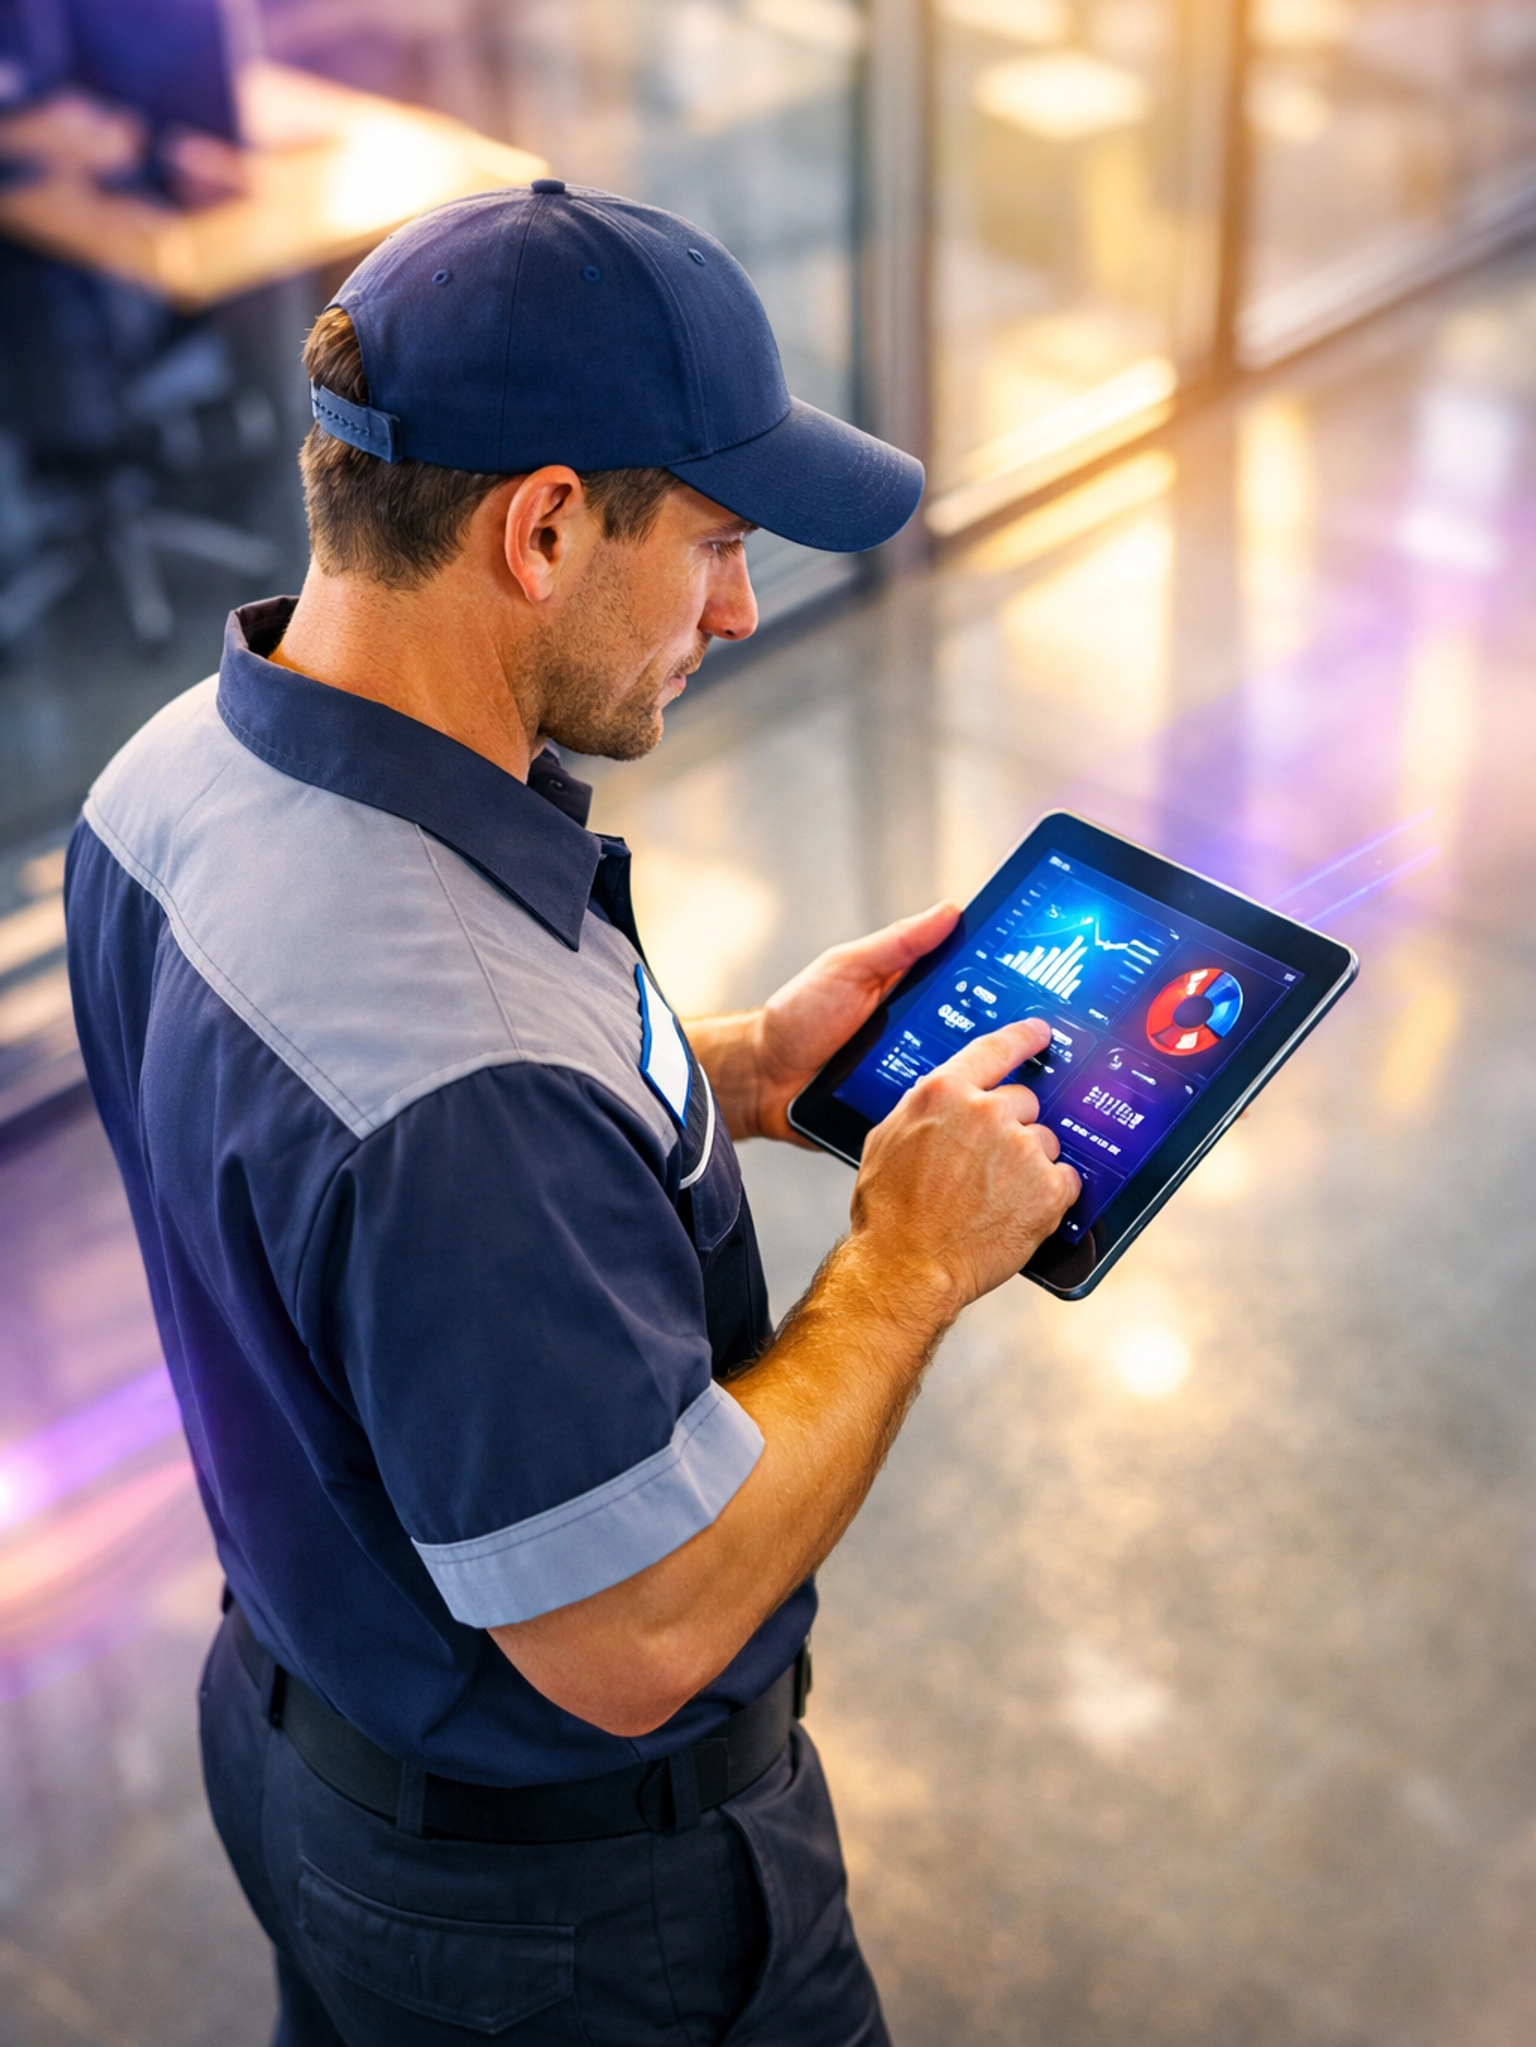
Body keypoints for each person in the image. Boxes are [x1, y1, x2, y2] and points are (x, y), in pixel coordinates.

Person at [64, 180, 1079, 2047]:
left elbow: (338, 1169)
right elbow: (638, 1631)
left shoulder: (169, 781)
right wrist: (905, 1268)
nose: (739, 607)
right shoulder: (467, 1073)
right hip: (562, 1924)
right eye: (708, 543)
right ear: (540, 526)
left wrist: (756, 1064)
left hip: (301, 1741)